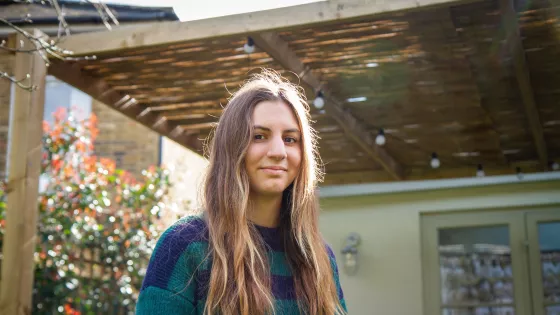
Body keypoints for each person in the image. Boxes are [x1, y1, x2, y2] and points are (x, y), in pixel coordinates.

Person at [136, 70, 347, 315]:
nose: (279, 151)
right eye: (259, 136)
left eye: (290, 139)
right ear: (232, 148)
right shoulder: (184, 246)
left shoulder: (320, 259)